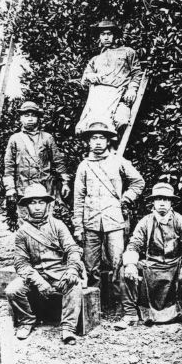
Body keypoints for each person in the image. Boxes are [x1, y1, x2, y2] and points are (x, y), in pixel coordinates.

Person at [73, 120, 145, 312]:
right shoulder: (84, 166)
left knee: (118, 263)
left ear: (108, 141)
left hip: (114, 220)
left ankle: (122, 305)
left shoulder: (118, 161)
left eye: (101, 138)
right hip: (90, 221)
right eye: (93, 138)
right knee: (91, 267)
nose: (97, 142)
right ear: (88, 142)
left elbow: (138, 182)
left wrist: (127, 198)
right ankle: (94, 306)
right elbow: (78, 198)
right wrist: (78, 226)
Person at [5, 184, 84, 345]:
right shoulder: (22, 232)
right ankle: (27, 320)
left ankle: (68, 328)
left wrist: (72, 270)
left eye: (41, 202)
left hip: (58, 273)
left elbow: (73, 249)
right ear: (26, 206)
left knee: (74, 286)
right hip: (36, 275)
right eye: (33, 203)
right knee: (12, 290)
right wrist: (38, 280)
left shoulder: (58, 225)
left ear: (47, 205)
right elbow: (20, 263)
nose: (37, 207)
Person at [120, 182, 182, 326]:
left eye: (166, 199)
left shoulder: (180, 221)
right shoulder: (145, 222)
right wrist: (130, 264)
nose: (162, 203)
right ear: (153, 202)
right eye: (158, 199)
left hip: (175, 267)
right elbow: (134, 244)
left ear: (171, 202)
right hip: (152, 268)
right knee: (125, 269)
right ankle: (130, 314)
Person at [75, 20, 142, 135]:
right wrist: (89, 76)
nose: (106, 38)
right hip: (97, 99)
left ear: (115, 35)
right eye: (103, 34)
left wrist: (132, 89)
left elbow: (137, 73)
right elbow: (84, 82)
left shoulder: (128, 52)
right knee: (86, 128)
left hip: (119, 96)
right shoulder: (95, 59)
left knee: (121, 121)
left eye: (109, 34)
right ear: (99, 37)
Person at [3, 101, 71, 204]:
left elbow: (58, 162)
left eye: (33, 116)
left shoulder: (47, 137)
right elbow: (9, 166)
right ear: (21, 118)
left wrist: (65, 183)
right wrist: (10, 188)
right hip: (23, 189)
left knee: (45, 217)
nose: (30, 119)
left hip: (44, 189)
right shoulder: (15, 139)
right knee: (25, 217)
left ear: (38, 118)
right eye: (26, 116)